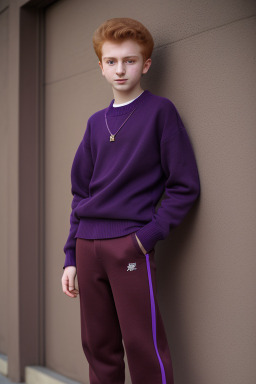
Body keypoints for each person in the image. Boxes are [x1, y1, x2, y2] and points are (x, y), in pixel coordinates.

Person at [61, 17, 200, 384]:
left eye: (130, 60)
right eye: (111, 61)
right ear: (101, 67)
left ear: (146, 64)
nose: (120, 69)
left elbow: (184, 186)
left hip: (129, 247)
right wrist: (71, 256)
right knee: (98, 347)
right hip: (87, 247)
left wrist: (143, 239)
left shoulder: (160, 112)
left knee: (144, 346)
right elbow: (81, 192)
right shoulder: (95, 123)